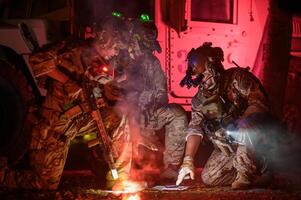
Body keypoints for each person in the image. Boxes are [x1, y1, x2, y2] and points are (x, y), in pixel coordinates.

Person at [0, 27, 123, 190]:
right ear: (104, 41)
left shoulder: (98, 63)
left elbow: (105, 92)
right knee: (43, 184)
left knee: (118, 116)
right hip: (55, 124)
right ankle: (2, 174)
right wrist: (66, 80)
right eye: (115, 48)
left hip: (77, 121)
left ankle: (119, 177)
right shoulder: (73, 48)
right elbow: (38, 59)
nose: (115, 53)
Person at [176, 42, 275, 189]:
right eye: (199, 77)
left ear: (212, 67)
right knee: (209, 177)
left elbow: (259, 103)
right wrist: (188, 160)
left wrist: (242, 120)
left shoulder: (238, 78)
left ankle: (248, 172)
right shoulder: (200, 99)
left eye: (204, 75)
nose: (202, 81)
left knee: (245, 125)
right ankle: (257, 176)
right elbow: (194, 128)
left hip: (253, 138)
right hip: (228, 146)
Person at [105, 19, 188, 186]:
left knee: (177, 114)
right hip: (122, 114)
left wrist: (150, 108)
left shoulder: (151, 62)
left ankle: (171, 167)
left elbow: (161, 91)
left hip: (149, 112)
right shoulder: (118, 57)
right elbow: (110, 86)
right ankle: (121, 169)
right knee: (126, 116)